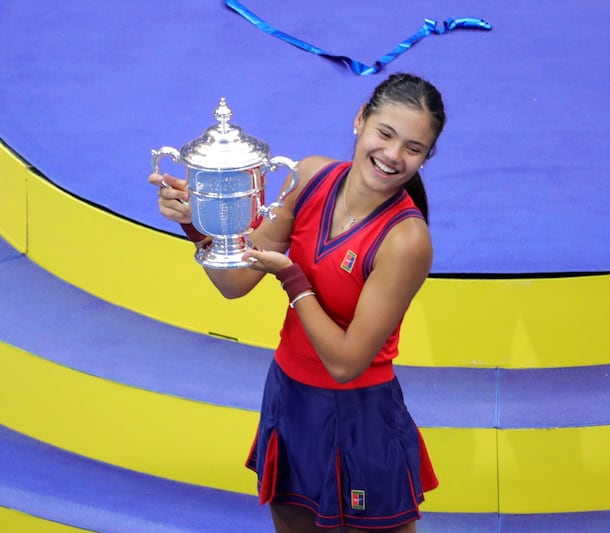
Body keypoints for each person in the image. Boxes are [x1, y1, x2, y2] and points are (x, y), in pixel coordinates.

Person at [148, 72, 446, 532]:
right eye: (384, 134)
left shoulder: (407, 241)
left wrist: (292, 277)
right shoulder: (307, 176)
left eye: (413, 147)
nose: (392, 155)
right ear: (360, 120)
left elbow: (346, 363)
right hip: (290, 398)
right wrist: (200, 224)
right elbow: (236, 282)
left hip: (361, 415)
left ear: (426, 157)